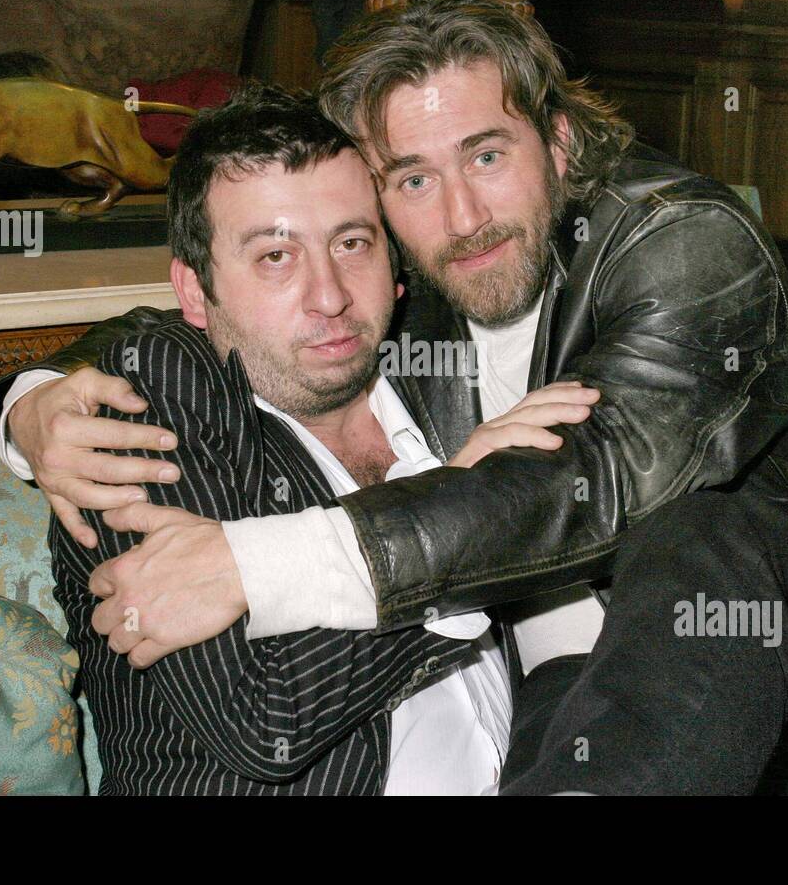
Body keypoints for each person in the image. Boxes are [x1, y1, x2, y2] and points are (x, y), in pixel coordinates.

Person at [0, 0, 788, 795]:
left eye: (487, 156)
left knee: (696, 536)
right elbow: (222, 316)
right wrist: (27, 404)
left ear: (559, 140)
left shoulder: (681, 241)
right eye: (409, 180)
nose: (461, 214)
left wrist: (254, 561)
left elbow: (589, 483)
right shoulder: (414, 283)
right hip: (588, 709)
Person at [55, 81, 598, 794]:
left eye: (352, 243)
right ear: (194, 291)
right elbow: (262, 722)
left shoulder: (450, 386)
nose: (330, 295)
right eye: (275, 257)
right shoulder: (145, 420)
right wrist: (466, 513)